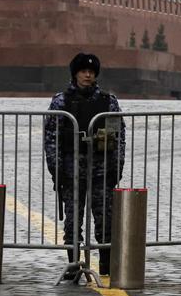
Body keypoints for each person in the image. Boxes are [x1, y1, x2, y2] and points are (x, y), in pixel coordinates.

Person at [43, 52, 125, 276]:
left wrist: (117, 167)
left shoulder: (108, 101)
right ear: (75, 74)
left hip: (102, 172)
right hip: (72, 172)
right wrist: (57, 170)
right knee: (72, 222)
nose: (88, 75)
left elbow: (118, 137)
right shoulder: (61, 102)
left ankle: (107, 266)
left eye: (91, 72)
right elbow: (52, 138)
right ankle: (73, 264)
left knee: (105, 220)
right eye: (83, 71)